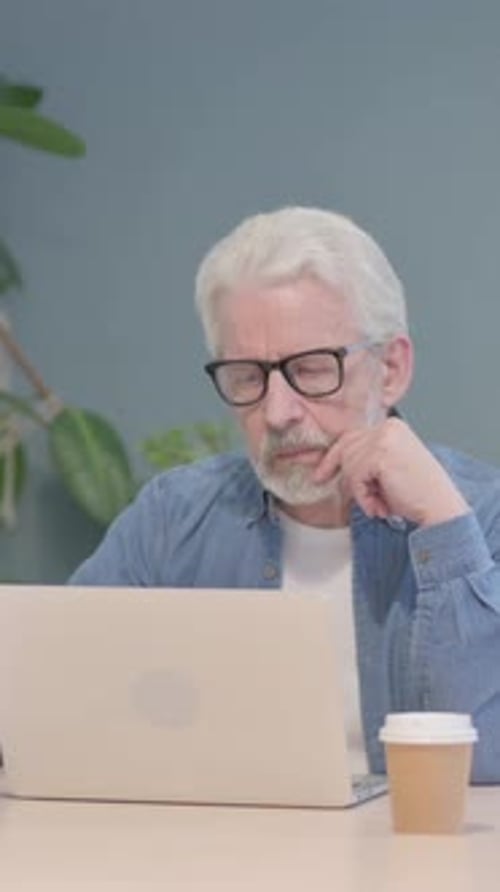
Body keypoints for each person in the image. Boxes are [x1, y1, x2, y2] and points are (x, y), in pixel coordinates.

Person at [70, 206, 500, 782]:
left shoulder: (483, 520)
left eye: (312, 369)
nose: (277, 413)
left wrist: (444, 527)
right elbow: (60, 704)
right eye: (249, 376)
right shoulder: (172, 521)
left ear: (391, 369)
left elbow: (484, 769)